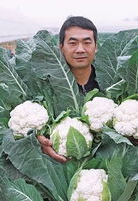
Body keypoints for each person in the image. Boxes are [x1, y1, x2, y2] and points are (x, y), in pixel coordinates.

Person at [37, 16, 99, 163]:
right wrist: (35, 138)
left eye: (87, 42)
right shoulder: (42, 87)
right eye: (72, 43)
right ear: (61, 47)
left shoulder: (112, 83)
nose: (80, 49)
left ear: (96, 47)